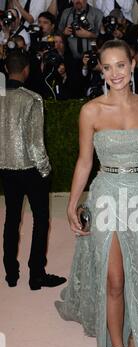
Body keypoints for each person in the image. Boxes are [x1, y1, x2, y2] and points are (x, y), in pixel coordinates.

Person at [55, 39, 138, 347]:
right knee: (116, 280)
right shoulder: (91, 111)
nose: (114, 74)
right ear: (101, 70)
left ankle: (137, 337)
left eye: (120, 65)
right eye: (107, 67)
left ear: (133, 64)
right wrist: (73, 202)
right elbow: (84, 161)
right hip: (106, 193)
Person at [0, 49, 67, 290]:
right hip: (31, 169)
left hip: (5, 169)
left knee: (11, 219)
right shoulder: (32, 99)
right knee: (40, 219)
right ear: (26, 70)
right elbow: (36, 142)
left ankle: (11, 274)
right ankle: (36, 276)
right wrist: (46, 169)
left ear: (7, 69)